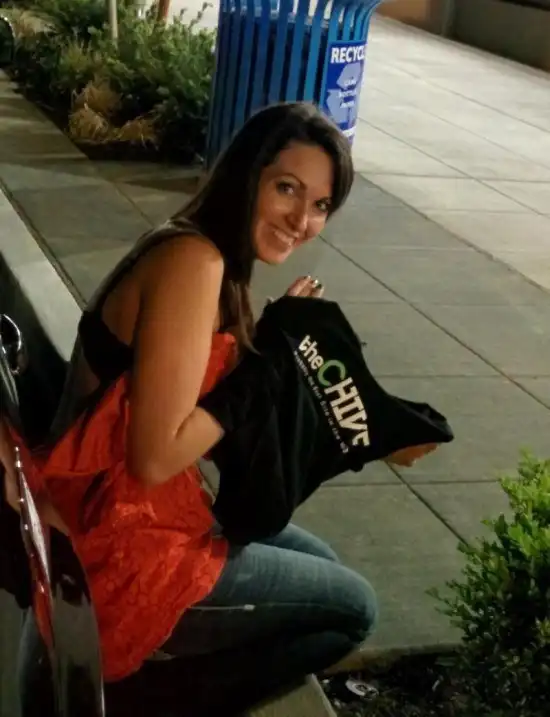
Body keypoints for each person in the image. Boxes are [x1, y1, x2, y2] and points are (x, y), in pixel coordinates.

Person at [41, 102, 428, 715]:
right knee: (353, 609)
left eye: (321, 204)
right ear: (247, 174)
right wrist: (269, 359)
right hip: (113, 540)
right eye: (287, 189)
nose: (302, 220)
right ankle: (143, 702)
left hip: (132, 509)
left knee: (322, 565)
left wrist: (376, 432)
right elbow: (154, 458)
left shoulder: (203, 253)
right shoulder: (194, 263)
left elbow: (236, 423)